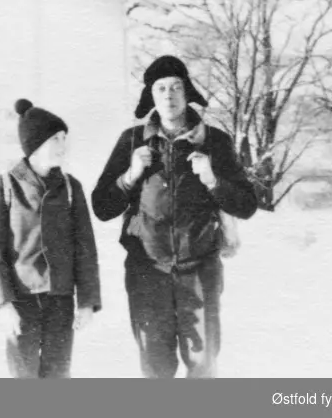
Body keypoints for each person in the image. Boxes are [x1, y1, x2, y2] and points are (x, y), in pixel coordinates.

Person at [91, 55, 257, 378]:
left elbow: (247, 204)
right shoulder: (131, 141)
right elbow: (101, 206)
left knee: (203, 368)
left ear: (188, 92)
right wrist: (130, 175)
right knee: (155, 370)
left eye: (176, 87)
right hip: (147, 274)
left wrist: (213, 179)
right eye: (161, 88)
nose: (169, 95)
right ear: (150, 97)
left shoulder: (216, 141)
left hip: (199, 274)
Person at [0, 98, 102, 378]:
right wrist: (3, 304)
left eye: (64, 139)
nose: (63, 146)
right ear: (35, 144)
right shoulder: (6, 185)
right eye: (55, 139)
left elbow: (86, 249)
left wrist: (87, 300)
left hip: (60, 301)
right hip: (22, 302)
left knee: (57, 378)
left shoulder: (71, 188)